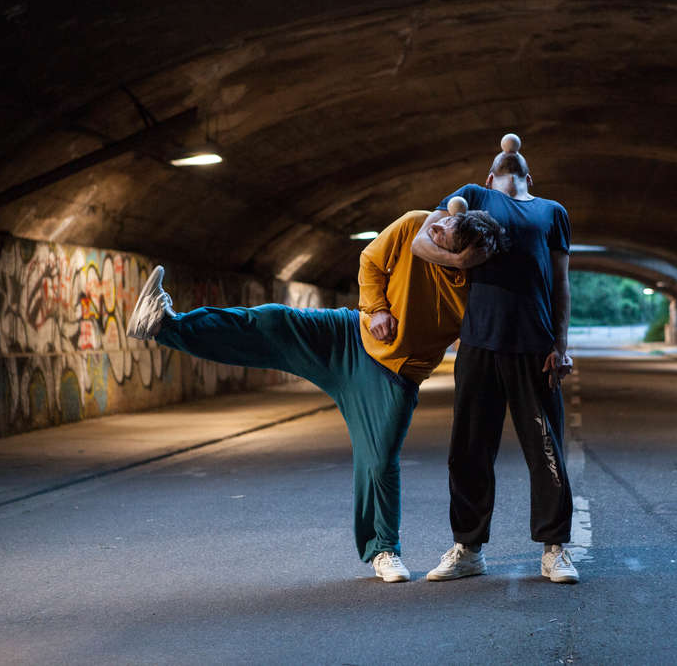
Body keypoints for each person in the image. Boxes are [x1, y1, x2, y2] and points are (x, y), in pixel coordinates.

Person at [125, 205, 505, 583]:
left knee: (379, 462)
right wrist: (376, 308)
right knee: (274, 321)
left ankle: (384, 550)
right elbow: (370, 261)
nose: (435, 231)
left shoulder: (475, 294)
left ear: (462, 259)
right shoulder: (415, 224)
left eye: (445, 236)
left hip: (394, 377)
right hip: (349, 336)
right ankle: (163, 325)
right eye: (441, 224)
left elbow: (481, 343)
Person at [411, 134, 578, 584]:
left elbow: (561, 284)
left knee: (546, 450)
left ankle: (554, 549)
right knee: (468, 450)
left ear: (528, 175)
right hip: (479, 344)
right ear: (491, 175)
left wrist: (561, 344)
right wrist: (461, 257)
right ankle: (468, 548)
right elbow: (419, 243)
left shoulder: (552, 212)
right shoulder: (472, 196)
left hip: (535, 346)